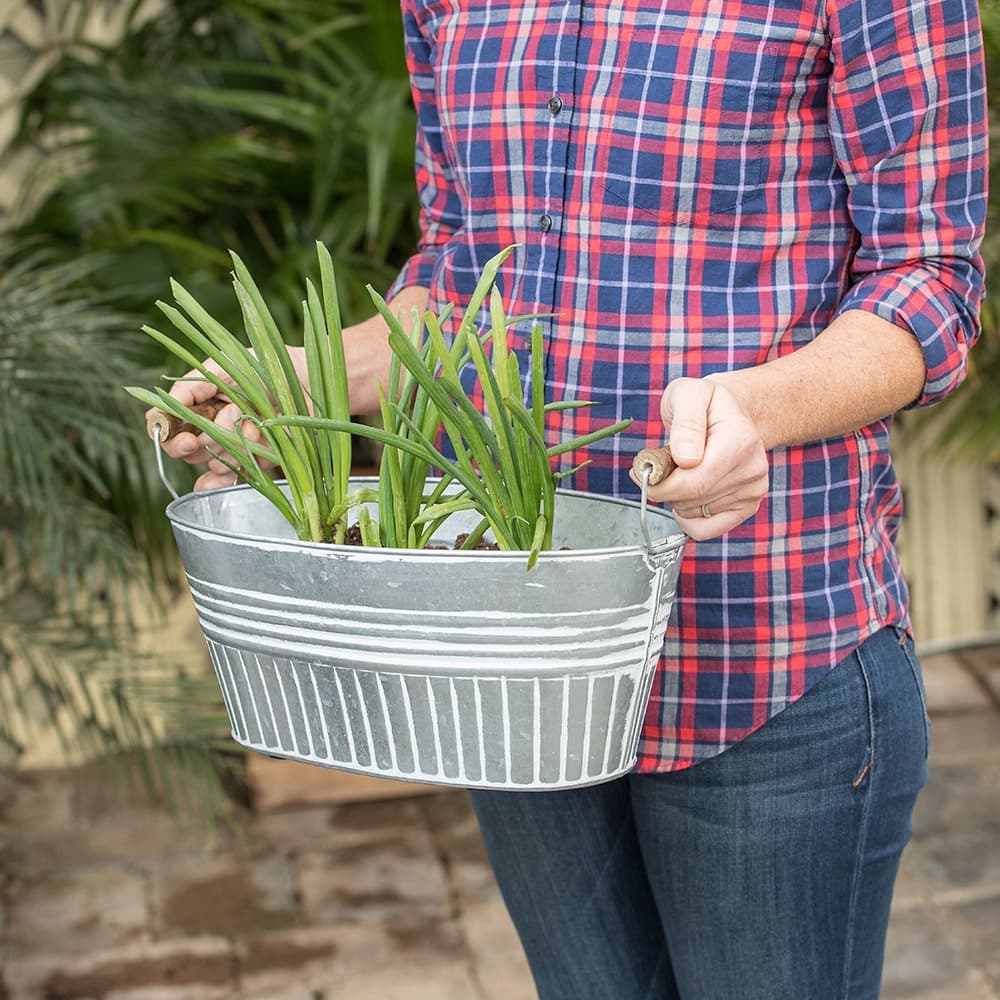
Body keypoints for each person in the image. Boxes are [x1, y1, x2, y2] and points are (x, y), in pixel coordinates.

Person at [158, 0, 988, 996]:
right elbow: (462, 277)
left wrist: (750, 409)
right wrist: (298, 384)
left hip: (761, 653)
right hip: (520, 649)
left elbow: (927, 279)